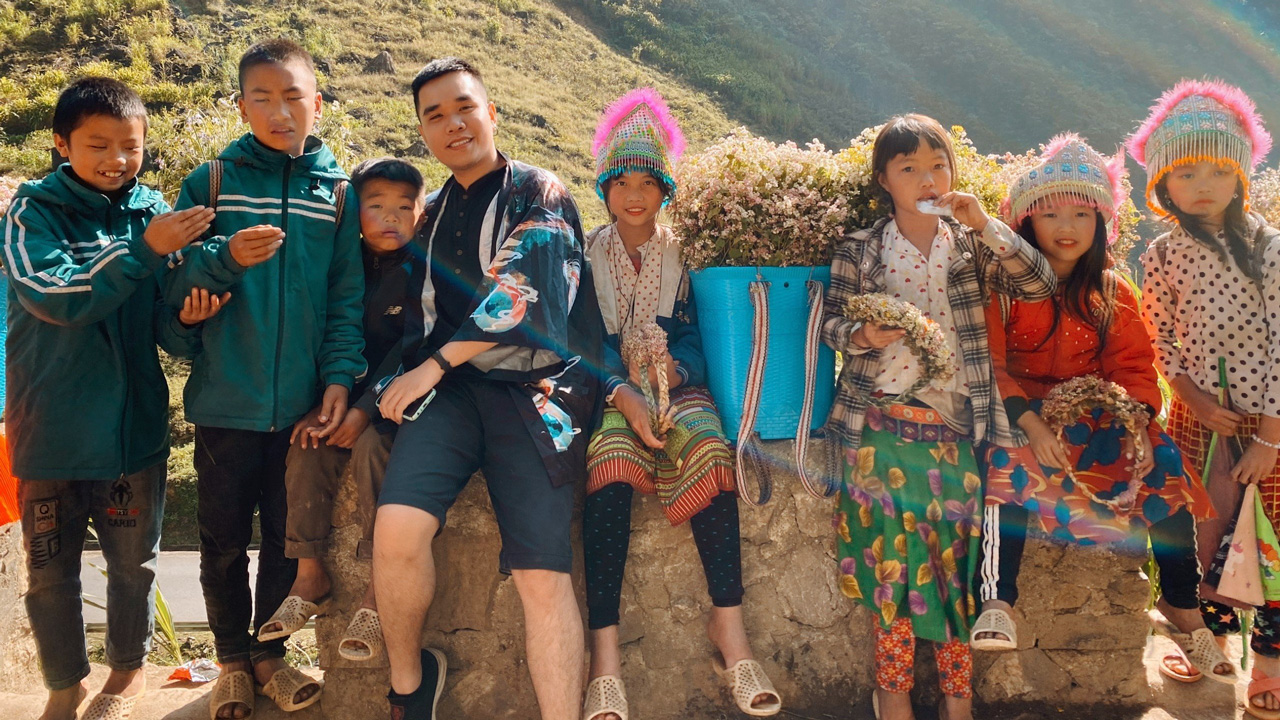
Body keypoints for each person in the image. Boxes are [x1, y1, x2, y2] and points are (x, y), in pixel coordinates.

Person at [372, 57, 603, 720]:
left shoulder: (539, 190)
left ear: (491, 113)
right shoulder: (431, 213)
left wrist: (434, 366)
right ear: (423, 132)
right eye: (435, 115)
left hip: (537, 391)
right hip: (451, 395)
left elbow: (525, 289)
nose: (453, 124)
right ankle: (410, 688)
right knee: (397, 530)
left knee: (541, 573)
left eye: (464, 107)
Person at [821, 114, 1055, 720]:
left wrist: (988, 225)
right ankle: (893, 695)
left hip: (954, 430)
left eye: (937, 166)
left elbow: (1038, 284)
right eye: (909, 168)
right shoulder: (860, 249)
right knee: (890, 573)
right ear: (884, 179)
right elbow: (831, 326)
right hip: (881, 427)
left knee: (956, 571)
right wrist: (863, 335)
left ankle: (958, 701)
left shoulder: (970, 246)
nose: (927, 179)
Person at [4, 77, 220, 720]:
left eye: (131, 146)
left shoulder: (154, 213)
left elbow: (166, 330)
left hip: (132, 431)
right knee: (49, 573)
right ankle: (64, 685)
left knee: (133, 568)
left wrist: (187, 319)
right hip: (50, 428)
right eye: (98, 145)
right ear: (61, 143)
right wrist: (144, 250)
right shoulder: (31, 213)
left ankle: (126, 677)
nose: (117, 159)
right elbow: (56, 296)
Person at [971, 134, 1223, 681]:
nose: (1067, 226)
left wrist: (1135, 423)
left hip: (1095, 419)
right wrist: (1031, 422)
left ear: (1101, 222)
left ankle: (1182, 603)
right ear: (1026, 223)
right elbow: (991, 365)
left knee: (1165, 465)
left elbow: (1133, 368)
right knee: (1005, 463)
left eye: (1082, 213)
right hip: (1019, 413)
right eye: (1051, 213)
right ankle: (997, 600)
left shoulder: (1111, 291)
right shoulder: (1002, 288)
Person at [164, 38, 366, 719]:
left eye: (293, 97)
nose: (280, 112)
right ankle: (229, 661)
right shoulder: (213, 183)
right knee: (222, 540)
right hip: (225, 400)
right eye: (263, 99)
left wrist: (338, 379)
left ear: (318, 103)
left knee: (287, 540)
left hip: (302, 410)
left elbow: (345, 300)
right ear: (242, 106)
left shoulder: (338, 195)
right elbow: (175, 288)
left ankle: (269, 657)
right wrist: (223, 259)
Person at [580, 88, 781, 720]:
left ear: (665, 189)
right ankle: (605, 659)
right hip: (611, 389)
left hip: (679, 385)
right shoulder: (585, 256)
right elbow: (582, 340)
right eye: (621, 182)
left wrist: (676, 366)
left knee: (711, 452)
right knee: (608, 463)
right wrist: (624, 386)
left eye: (648, 181)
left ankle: (731, 633)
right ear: (605, 189)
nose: (634, 195)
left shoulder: (684, 254)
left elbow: (698, 331)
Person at [1132, 79, 1280, 718]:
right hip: (1200, 422)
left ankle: (1269, 665)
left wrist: (1270, 436)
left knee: (1272, 541)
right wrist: (1190, 397)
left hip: (1268, 423)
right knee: (1206, 532)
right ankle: (1210, 642)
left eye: (1219, 169)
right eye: (1186, 171)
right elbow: (1158, 336)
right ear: (1163, 182)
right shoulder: (1162, 255)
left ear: (1241, 174)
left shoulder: (1269, 247)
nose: (1203, 184)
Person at [265, 157, 426, 663]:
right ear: (354, 212)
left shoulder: (425, 272)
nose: (390, 218)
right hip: (339, 395)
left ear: (422, 213)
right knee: (307, 444)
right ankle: (310, 575)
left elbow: (412, 349)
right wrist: (329, 404)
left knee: (376, 449)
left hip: (402, 403)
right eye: (375, 206)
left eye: (404, 207)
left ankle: (379, 589)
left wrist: (365, 410)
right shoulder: (340, 263)